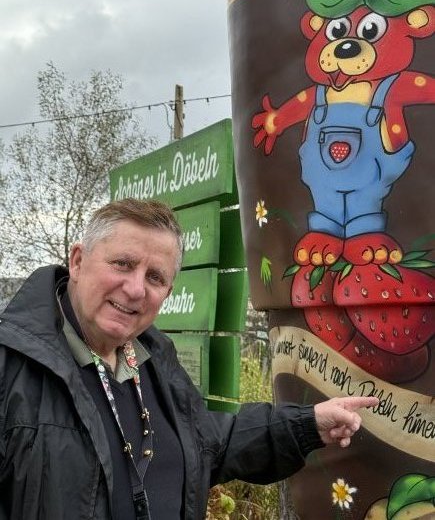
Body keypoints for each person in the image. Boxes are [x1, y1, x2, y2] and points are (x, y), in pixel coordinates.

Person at [0, 198, 378, 520]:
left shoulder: (155, 361)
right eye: (122, 264)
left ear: (167, 292)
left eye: (155, 277)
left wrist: (306, 424)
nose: (135, 289)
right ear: (78, 261)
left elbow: (208, 442)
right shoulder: (10, 367)